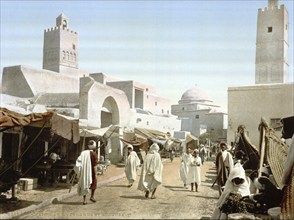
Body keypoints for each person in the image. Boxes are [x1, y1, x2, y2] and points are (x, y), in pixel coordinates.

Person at [74, 140, 99, 205]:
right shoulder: (94, 154)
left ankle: (84, 200)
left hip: (85, 171)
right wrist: (96, 174)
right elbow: (95, 165)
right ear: (94, 147)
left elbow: (79, 161)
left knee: (84, 184)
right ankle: (92, 196)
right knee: (93, 184)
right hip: (92, 171)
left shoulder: (83, 153)